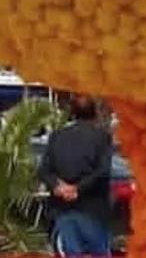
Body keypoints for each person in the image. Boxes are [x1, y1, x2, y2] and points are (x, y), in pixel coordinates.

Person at [37, 94, 113, 257]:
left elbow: (44, 170)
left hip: (63, 209)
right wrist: (77, 188)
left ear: (72, 113)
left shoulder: (57, 136)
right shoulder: (101, 137)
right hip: (92, 209)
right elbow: (103, 171)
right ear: (94, 113)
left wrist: (58, 186)